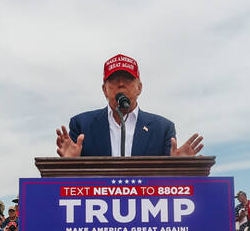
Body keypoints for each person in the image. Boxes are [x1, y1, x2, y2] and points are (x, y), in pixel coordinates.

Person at [55, 54, 204, 157]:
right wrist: (68, 163)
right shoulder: (82, 125)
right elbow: (70, 180)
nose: (120, 84)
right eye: (113, 80)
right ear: (104, 90)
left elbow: (168, 183)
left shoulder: (162, 128)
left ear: (139, 87)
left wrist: (179, 167)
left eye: (127, 79)